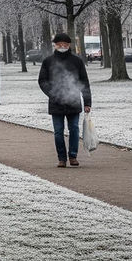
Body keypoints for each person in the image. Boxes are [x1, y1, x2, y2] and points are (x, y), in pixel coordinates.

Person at [38, 32, 92, 168]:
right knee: (58, 132)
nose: (62, 46)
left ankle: (73, 156)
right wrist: (53, 93)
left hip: (73, 101)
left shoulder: (77, 61)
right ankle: (62, 158)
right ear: (55, 45)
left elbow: (84, 82)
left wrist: (87, 102)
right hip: (56, 102)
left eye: (65, 44)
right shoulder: (48, 61)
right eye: (59, 44)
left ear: (69, 45)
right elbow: (42, 80)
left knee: (74, 129)